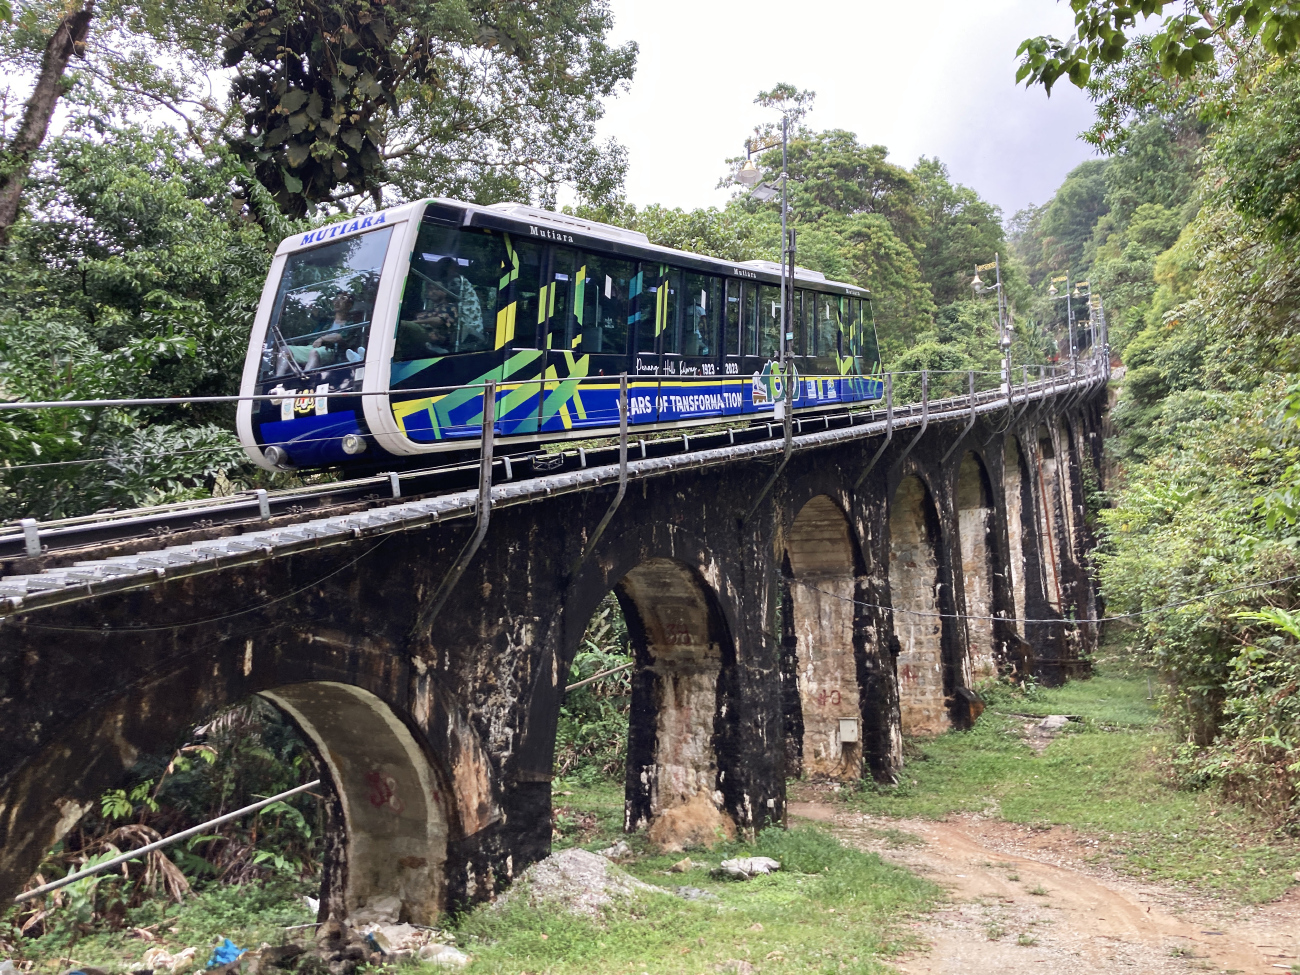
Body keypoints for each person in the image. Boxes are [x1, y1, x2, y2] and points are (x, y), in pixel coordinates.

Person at [276, 293, 357, 375]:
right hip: (314, 347)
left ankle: (305, 378)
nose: (337, 301)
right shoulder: (327, 322)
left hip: (331, 350)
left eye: (342, 299)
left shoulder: (350, 323)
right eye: (336, 299)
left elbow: (341, 337)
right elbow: (313, 320)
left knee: (314, 352)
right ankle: (277, 380)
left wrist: (322, 339)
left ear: (349, 305)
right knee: (284, 349)